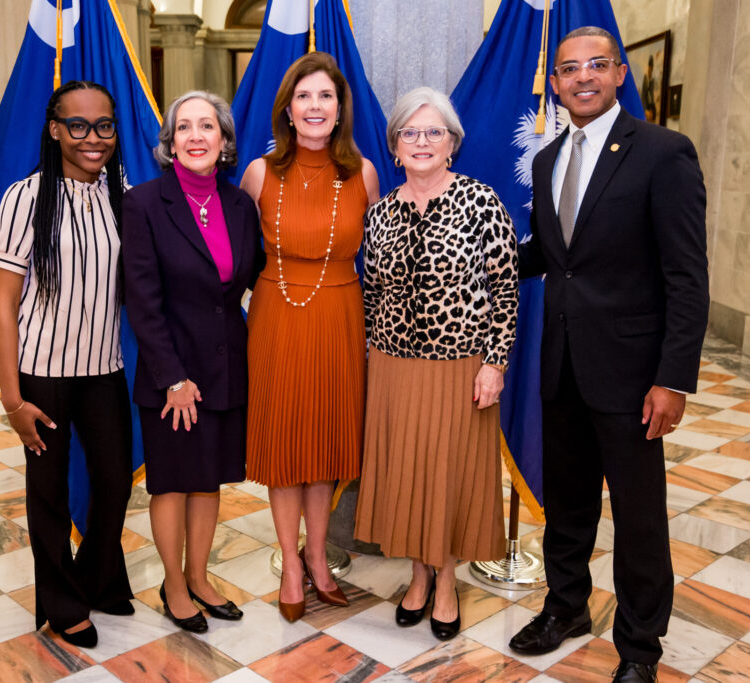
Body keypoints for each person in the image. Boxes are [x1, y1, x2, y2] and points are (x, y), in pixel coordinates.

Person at [508, 27, 708, 683]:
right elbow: (552, 257)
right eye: (569, 69)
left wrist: (672, 378)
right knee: (567, 505)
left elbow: (686, 276)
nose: (582, 77)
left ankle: (641, 646)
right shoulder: (547, 161)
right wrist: (487, 257)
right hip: (561, 365)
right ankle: (565, 607)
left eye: (596, 65)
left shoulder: (662, 153)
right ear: (556, 83)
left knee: (639, 514)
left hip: (631, 376)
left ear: (620, 72)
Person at [354, 87, 518, 641]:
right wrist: (374, 359)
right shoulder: (380, 214)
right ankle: (418, 577)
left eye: (434, 132)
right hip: (395, 369)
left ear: (452, 143)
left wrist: (494, 363)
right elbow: (371, 294)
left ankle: (445, 582)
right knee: (408, 473)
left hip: (460, 367)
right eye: (410, 132)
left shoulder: (480, 201)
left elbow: (505, 289)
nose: (421, 142)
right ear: (395, 147)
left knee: (447, 478)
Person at [0, 80, 136, 649]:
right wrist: (11, 397)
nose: (92, 138)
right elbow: (3, 304)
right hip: (41, 374)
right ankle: (61, 601)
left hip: (103, 368)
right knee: (48, 495)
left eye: (104, 125)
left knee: (115, 482)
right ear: (55, 130)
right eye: (77, 125)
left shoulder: (122, 192)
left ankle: (95, 577)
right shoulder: (24, 197)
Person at [240, 52, 380, 622]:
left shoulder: (364, 174)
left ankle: (319, 559)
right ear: (288, 109)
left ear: (340, 109)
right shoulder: (258, 173)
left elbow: (386, 260)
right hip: (276, 314)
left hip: (341, 317)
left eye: (325, 96)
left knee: (322, 445)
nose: (315, 106)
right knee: (283, 447)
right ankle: (290, 565)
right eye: (304, 97)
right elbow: (227, 256)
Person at [122, 91, 263, 633]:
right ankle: (174, 586)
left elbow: (250, 282)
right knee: (173, 483)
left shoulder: (238, 206)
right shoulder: (144, 204)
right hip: (171, 376)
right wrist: (173, 379)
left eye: (208, 126)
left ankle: (201, 577)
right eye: (185, 127)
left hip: (226, 369)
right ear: (171, 142)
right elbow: (142, 300)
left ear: (225, 141)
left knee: (209, 481)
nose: (197, 136)